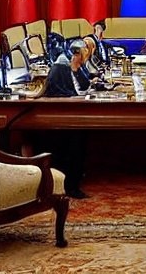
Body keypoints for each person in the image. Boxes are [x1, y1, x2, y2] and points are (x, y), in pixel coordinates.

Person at [43, 39, 91, 198]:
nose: (83, 59)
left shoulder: (74, 65)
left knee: (81, 137)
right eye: (82, 55)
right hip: (62, 118)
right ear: (75, 54)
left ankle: (74, 181)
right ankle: (70, 186)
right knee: (76, 141)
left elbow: (84, 86)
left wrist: (77, 69)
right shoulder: (60, 67)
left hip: (75, 114)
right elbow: (64, 94)